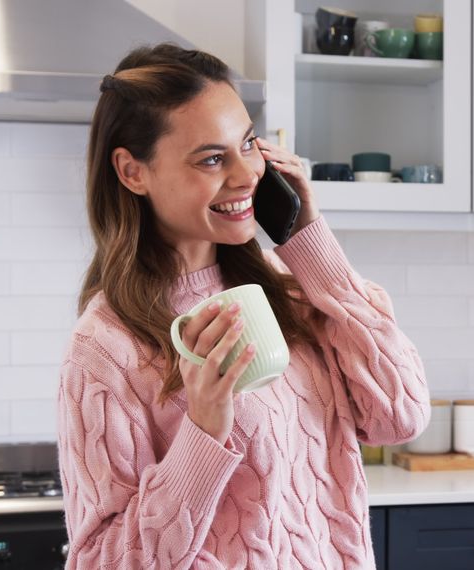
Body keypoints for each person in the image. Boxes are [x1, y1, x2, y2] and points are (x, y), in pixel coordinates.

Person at [56, 43, 430, 569]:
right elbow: (101, 562)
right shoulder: (106, 347)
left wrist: (311, 244)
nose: (246, 174)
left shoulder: (295, 288)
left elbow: (401, 416)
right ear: (132, 172)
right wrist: (203, 430)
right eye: (212, 158)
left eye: (248, 143)